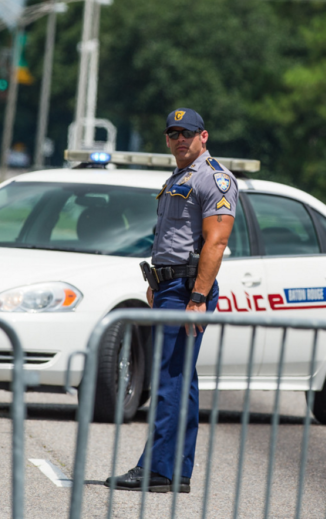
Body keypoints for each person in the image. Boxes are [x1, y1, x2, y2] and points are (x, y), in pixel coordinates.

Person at [105, 108, 238, 493]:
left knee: (167, 380)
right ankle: (175, 469)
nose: (180, 138)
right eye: (173, 133)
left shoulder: (215, 179)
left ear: (204, 136)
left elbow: (216, 241)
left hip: (185, 292)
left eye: (188, 132)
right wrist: (156, 282)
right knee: (181, 381)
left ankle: (158, 470)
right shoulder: (178, 178)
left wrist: (196, 297)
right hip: (169, 288)